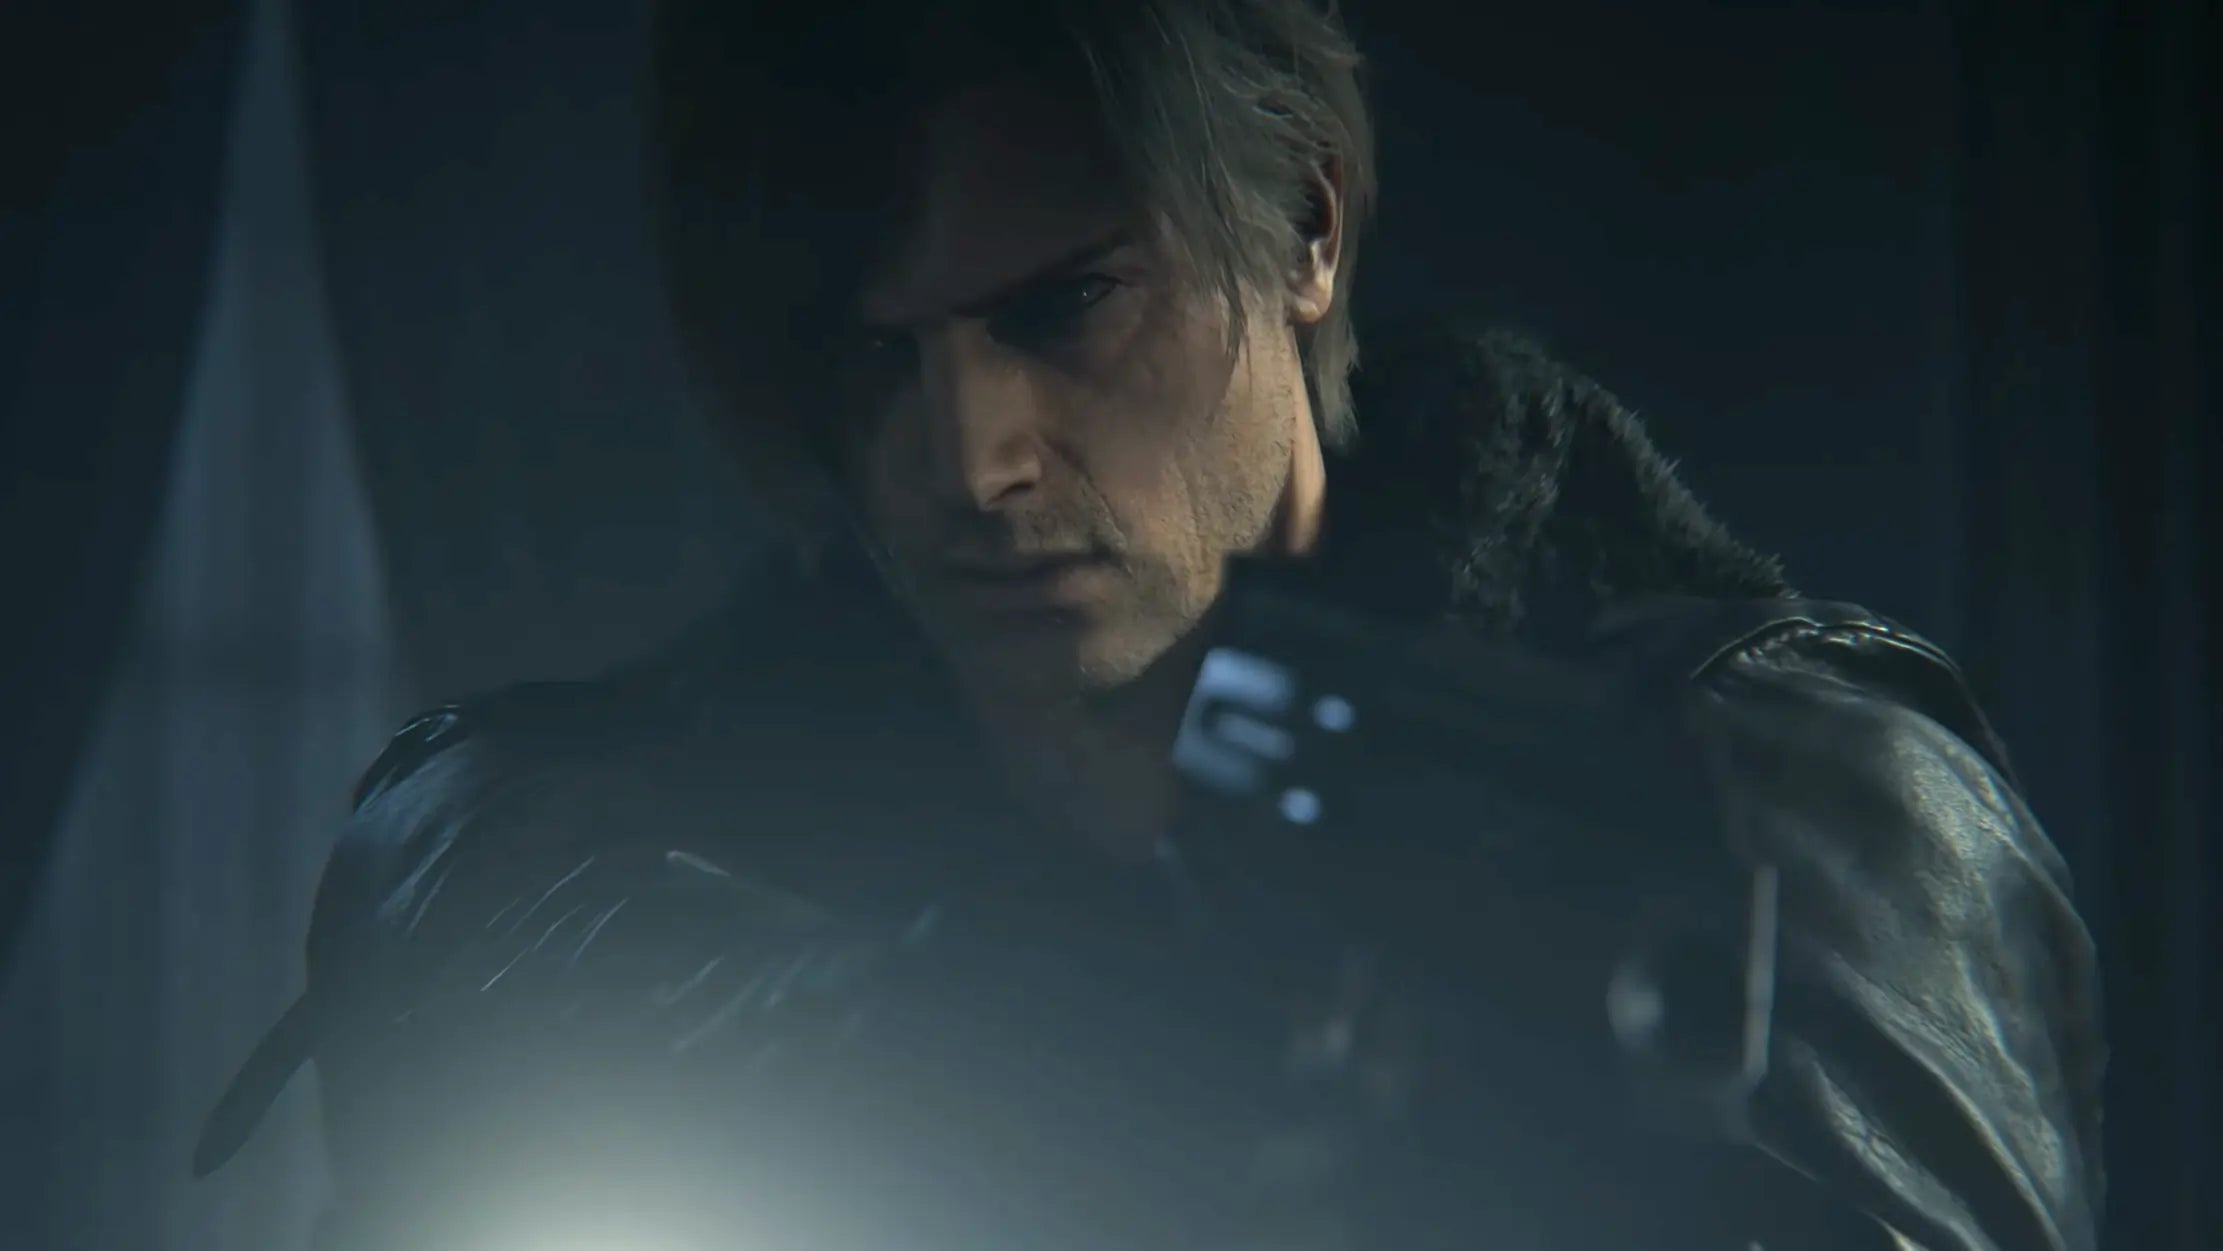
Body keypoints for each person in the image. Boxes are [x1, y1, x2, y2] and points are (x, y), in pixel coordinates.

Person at [199, 2, 2105, 1248]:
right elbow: (476, 893)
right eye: (878, 356)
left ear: (1304, 229)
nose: (975, 459)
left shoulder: (1762, 793)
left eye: (1065, 306)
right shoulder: (652, 815)